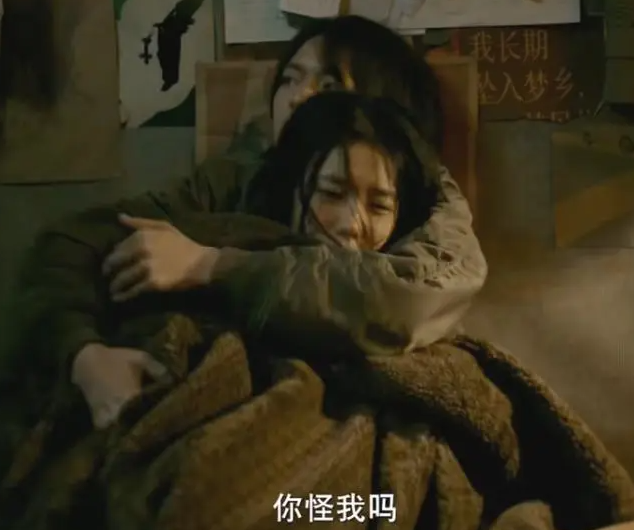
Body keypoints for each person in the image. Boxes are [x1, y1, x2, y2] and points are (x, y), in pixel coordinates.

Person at [15, 15, 486, 434]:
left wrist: (213, 266)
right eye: (289, 80)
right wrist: (84, 355)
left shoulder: (426, 197)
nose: (297, 98)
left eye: (327, 85)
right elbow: (75, 245)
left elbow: (408, 295)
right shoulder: (240, 174)